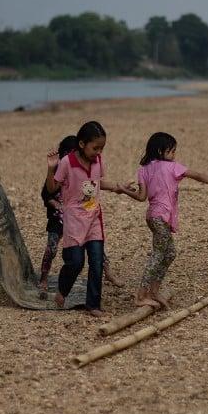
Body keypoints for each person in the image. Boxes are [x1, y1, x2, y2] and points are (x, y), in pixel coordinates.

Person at [123, 132, 208, 309]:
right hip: (160, 217)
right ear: (161, 151)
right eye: (172, 151)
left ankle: (154, 291)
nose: (174, 155)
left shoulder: (143, 170)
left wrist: (124, 190)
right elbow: (198, 175)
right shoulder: (172, 167)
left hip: (153, 217)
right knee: (158, 254)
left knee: (170, 253)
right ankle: (141, 296)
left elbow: (141, 197)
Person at [45, 121, 128, 317]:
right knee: (75, 262)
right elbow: (52, 188)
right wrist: (51, 169)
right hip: (74, 220)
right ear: (82, 144)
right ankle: (63, 290)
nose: (98, 152)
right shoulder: (67, 162)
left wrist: (118, 187)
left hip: (94, 219)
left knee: (97, 262)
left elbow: (97, 183)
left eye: (101, 148)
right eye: (95, 148)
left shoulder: (98, 161)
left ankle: (93, 304)